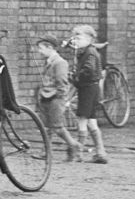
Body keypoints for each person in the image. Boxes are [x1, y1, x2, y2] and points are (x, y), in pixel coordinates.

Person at [34, 35, 82, 162]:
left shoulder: (60, 62)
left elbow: (62, 82)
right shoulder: (49, 61)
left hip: (55, 98)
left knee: (58, 127)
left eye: (41, 48)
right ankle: (46, 152)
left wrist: (61, 98)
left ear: (50, 47)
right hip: (47, 96)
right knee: (47, 127)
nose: (39, 51)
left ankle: (74, 145)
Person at [69, 24, 109, 164]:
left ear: (89, 39)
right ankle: (100, 152)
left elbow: (89, 70)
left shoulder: (89, 52)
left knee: (82, 120)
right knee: (92, 122)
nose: (76, 40)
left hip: (87, 89)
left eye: (79, 38)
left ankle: (78, 153)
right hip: (93, 89)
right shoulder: (89, 51)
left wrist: (75, 77)